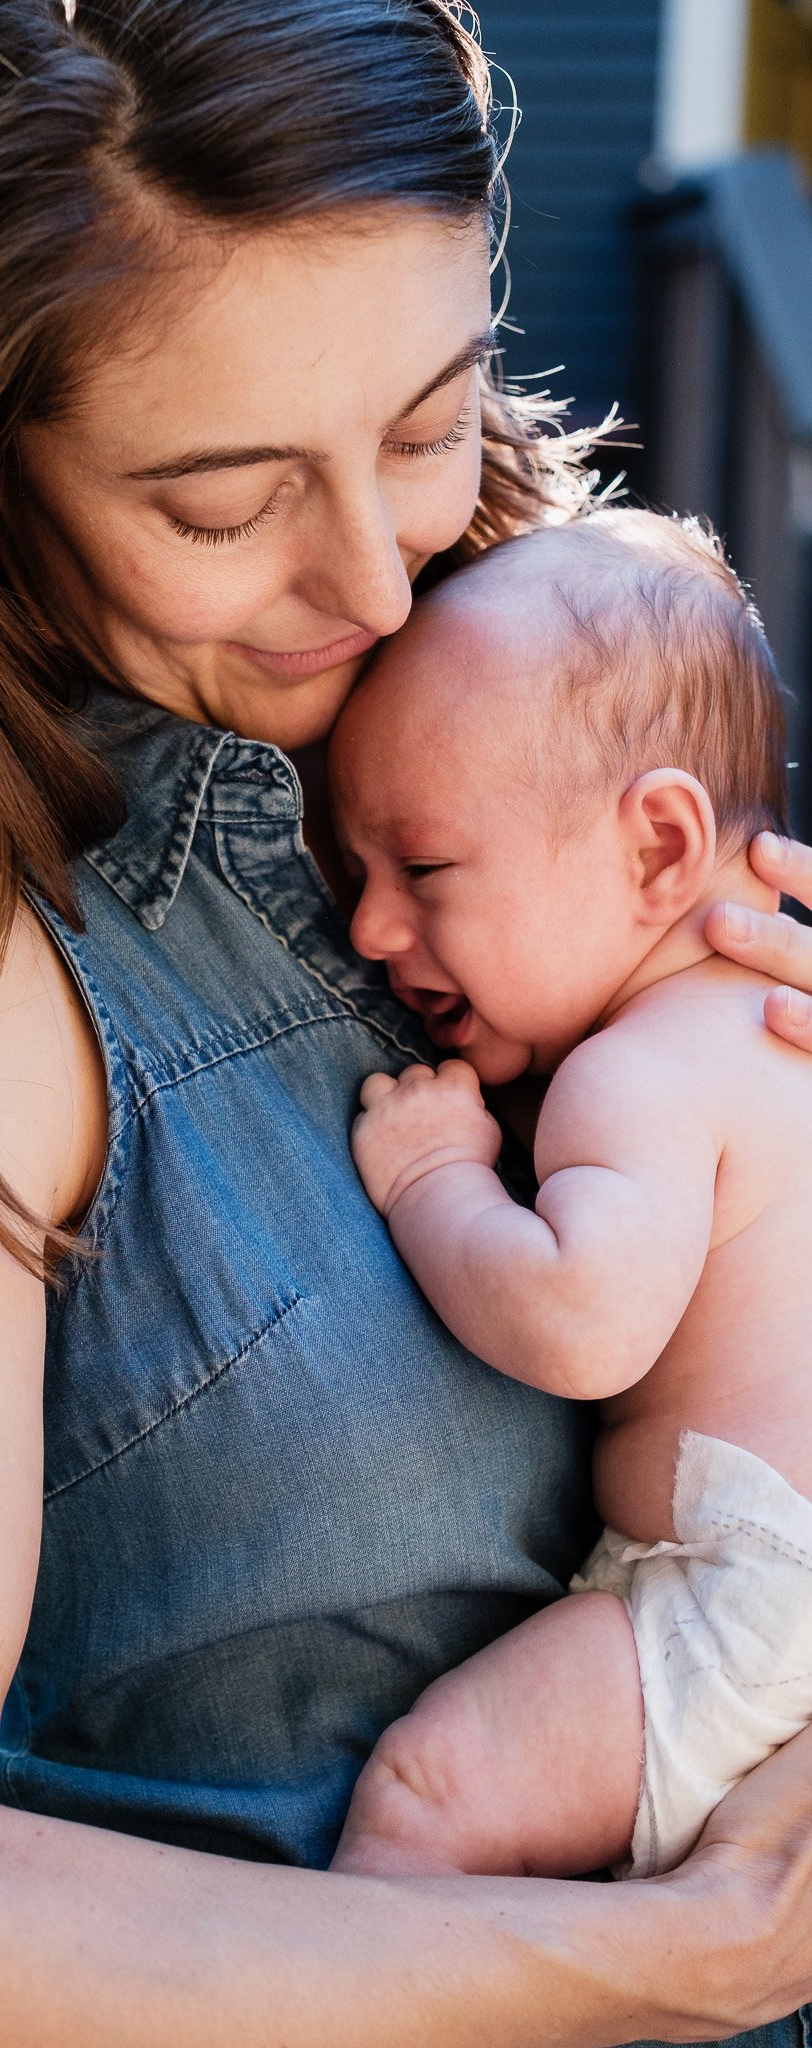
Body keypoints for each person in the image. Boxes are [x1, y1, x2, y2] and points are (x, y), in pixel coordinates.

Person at [0, 1, 812, 2040]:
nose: (379, 581)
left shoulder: (546, 747)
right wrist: (665, 1958)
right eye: (221, 507)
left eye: (424, 422)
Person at [326, 508, 812, 1886]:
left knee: (431, 1797)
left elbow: (582, 1322)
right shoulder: (774, 1019)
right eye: (352, 875)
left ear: (657, 849)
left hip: (749, 1596)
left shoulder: (640, 1071)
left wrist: (434, 1183)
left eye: (418, 868)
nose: (368, 929)